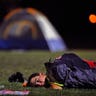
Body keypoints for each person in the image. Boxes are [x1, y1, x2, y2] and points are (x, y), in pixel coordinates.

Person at [8, 53, 96, 89]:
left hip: (74, 63)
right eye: (37, 85)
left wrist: (58, 62)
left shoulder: (56, 70)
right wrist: (24, 82)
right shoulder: (52, 82)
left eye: (37, 80)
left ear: (41, 74)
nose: (39, 84)